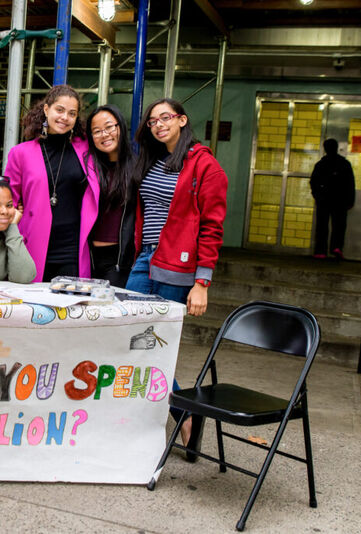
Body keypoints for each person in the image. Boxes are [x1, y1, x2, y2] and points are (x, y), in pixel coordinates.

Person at [126, 98, 228, 460]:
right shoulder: (154, 161)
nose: (158, 124)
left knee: (156, 345)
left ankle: (179, 413)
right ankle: (182, 412)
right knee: (128, 335)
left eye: (165, 117)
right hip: (146, 258)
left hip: (178, 267)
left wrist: (202, 282)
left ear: (182, 120)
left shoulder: (206, 166)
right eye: (152, 120)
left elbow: (212, 228)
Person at [2, 84, 100, 282]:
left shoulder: (86, 149)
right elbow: (6, 199)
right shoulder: (21, 153)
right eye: (60, 110)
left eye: (72, 113)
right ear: (46, 109)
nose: (65, 117)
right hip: (32, 243)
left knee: (69, 309)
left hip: (72, 248)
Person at [85, 105, 138, 287]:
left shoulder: (137, 169)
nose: (104, 134)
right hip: (87, 256)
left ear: (120, 127)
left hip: (118, 259)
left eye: (109, 127)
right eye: (97, 131)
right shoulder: (88, 168)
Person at [310, 138, 356, 259]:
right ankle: (336, 247)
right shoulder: (344, 164)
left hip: (324, 200)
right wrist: (350, 200)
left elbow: (313, 182)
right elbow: (350, 183)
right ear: (336, 148)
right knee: (339, 225)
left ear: (325, 149)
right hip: (340, 200)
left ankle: (320, 251)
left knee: (322, 225)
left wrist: (317, 195)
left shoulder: (320, 165)